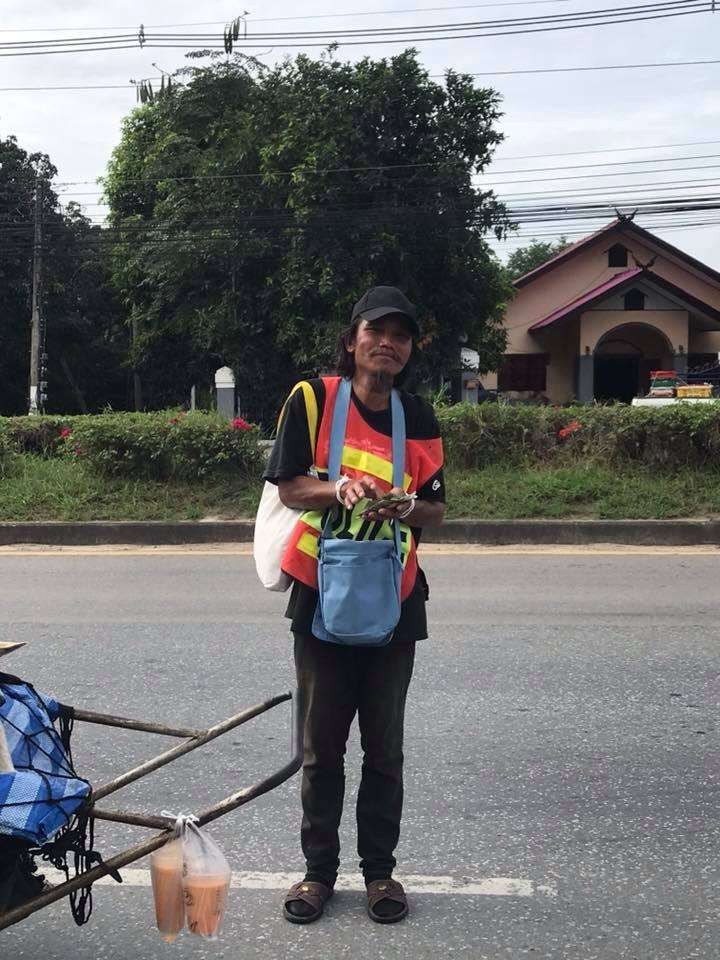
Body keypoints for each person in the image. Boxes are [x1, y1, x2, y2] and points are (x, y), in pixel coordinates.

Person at [263, 285, 445, 925]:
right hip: (320, 597)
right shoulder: (313, 400)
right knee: (321, 747)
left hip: (395, 601)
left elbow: (437, 508)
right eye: (377, 329)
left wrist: (406, 506)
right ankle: (317, 874)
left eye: (401, 334)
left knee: (385, 750)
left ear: (409, 350)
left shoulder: (416, 414)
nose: (388, 342)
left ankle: (380, 874)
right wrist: (339, 488)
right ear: (352, 339)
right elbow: (288, 486)